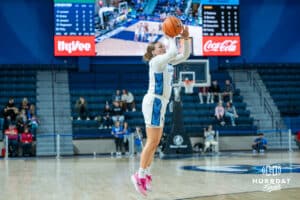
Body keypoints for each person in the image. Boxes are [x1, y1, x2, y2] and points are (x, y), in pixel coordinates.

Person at [131, 25, 190, 196]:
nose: (163, 48)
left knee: (155, 142)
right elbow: (172, 52)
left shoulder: (167, 62)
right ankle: (139, 175)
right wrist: (171, 36)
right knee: (151, 142)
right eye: (160, 47)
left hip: (161, 103)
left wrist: (185, 38)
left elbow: (184, 55)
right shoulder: (155, 62)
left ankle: (147, 173)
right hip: (154, 102)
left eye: (163, 46)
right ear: (154, 53)